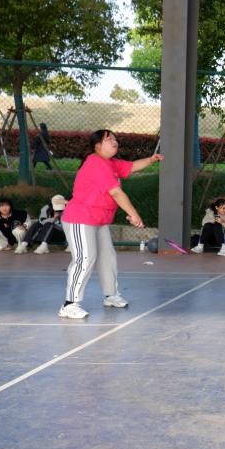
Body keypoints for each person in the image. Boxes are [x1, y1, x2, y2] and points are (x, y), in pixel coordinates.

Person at [59, 129, 161, 319]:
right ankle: (69, 304)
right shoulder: (95, 163)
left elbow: (131, 166)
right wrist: (134, 214)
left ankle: (111, 295)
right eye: (109, 139)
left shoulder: (110, 163)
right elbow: (116, 193)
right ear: (97, 146)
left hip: (98, 220)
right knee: (85, 258)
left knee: (107, 257)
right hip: (80, 219)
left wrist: (151, 159)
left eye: (115, 139)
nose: (114, 142)